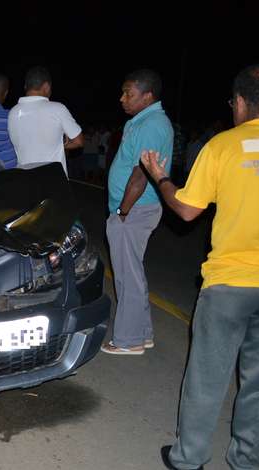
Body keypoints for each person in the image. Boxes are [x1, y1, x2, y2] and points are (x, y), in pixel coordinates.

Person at [140, 63, 259, 470]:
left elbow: (187, 209)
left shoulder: (224, 146)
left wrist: (160, 177)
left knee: (207, 377)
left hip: (230, 283)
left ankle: (189, 459)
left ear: (242, 102)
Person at [100, 69, 174, 355]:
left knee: (126, 277)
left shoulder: (152, 124)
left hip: (134, 210)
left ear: (148, 95)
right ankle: (142, 333)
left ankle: (128, 341)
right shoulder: (142, 121)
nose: (122, 98)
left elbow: (141, 175)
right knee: (132, 272)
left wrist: (122, 210)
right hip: (134, 208)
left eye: (128, 93)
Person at [7, 65, 83, 176]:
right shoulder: (57, 108)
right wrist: (60, 144)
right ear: (46, 87)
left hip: (24, 179)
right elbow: (79, 141)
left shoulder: (12, 113)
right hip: (52, 180)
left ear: (25, 86)